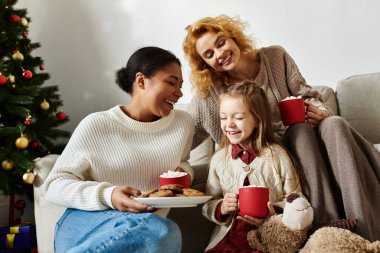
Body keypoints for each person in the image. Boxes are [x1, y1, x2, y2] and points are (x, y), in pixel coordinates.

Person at [183, 15, 380, 241]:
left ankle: (367, 232)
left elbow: (309, 96)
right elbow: (184, 137)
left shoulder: (275, 57)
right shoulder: (209, 96)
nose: (219, 54)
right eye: (209, 54)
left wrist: (321, 111)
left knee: (333, 122)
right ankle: (327, 230)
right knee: (300, 131)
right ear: (204, 64)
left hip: (310, 143)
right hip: (273, 152)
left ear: (233, 37)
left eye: (221, 43)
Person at [43, 46, 194, 252]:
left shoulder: (182, 123)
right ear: (141, 81)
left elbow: (182, 161)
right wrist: (108, 195)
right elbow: (53, 185)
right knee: (162, 231)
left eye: (181, 85)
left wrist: (184, 174)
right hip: (87, 221)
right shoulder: (97, 124)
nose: (179, 92)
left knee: (162, 233)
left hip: (145, 228)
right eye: (171, 82)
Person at [203, 81, 304, 252]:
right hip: (229, 238)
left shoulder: (277, 155)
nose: (229, 124)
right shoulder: (219, 159)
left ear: (257, 120)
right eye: (223, 117)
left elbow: (296, 198)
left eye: (239, 118)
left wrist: (276, 211)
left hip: (269, 236)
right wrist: (221, 206)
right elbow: (208, 203)